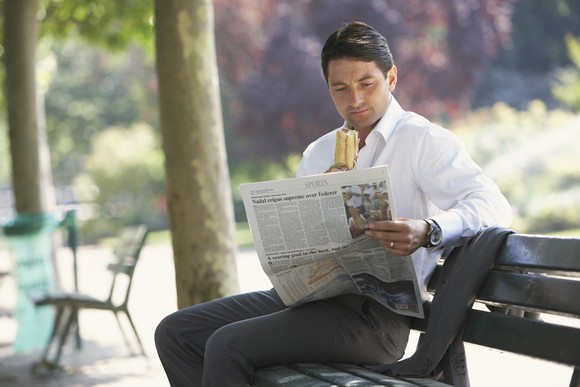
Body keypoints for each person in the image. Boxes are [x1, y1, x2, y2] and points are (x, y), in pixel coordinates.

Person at [154, 21, 512, 386]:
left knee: (227, 347)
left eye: (366, 84)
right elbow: (293, 256)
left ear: (391, 78)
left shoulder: (422, 140)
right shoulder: (319, 152)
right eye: (340, 88)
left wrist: (428, 230)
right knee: (176, 332)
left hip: (376, 319)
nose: (354, 99)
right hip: (308, 301)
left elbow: (491, 204)